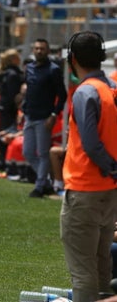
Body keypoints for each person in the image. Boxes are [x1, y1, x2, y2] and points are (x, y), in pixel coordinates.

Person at [60, 30, 117, 302]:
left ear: (73, 58)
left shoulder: (85, 93)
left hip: (85, 187)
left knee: (83, 272)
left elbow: (91, 144)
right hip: (109, 191)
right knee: (101, 267)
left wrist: (111, 167)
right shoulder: (112, 89)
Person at [22, 38, 67, 198]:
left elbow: (62, 95)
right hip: (29, 115)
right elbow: (28, 91)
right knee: (27, 152)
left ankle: (39, 186)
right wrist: (23, 109)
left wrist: (54, 114)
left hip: (44, 118)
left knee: (42, 153)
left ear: (47, 51)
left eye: (42, 49)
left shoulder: (53, 70)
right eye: (36, 48)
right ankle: (46, 182)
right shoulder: (29, 68)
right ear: (33, 50)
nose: (39, 51)